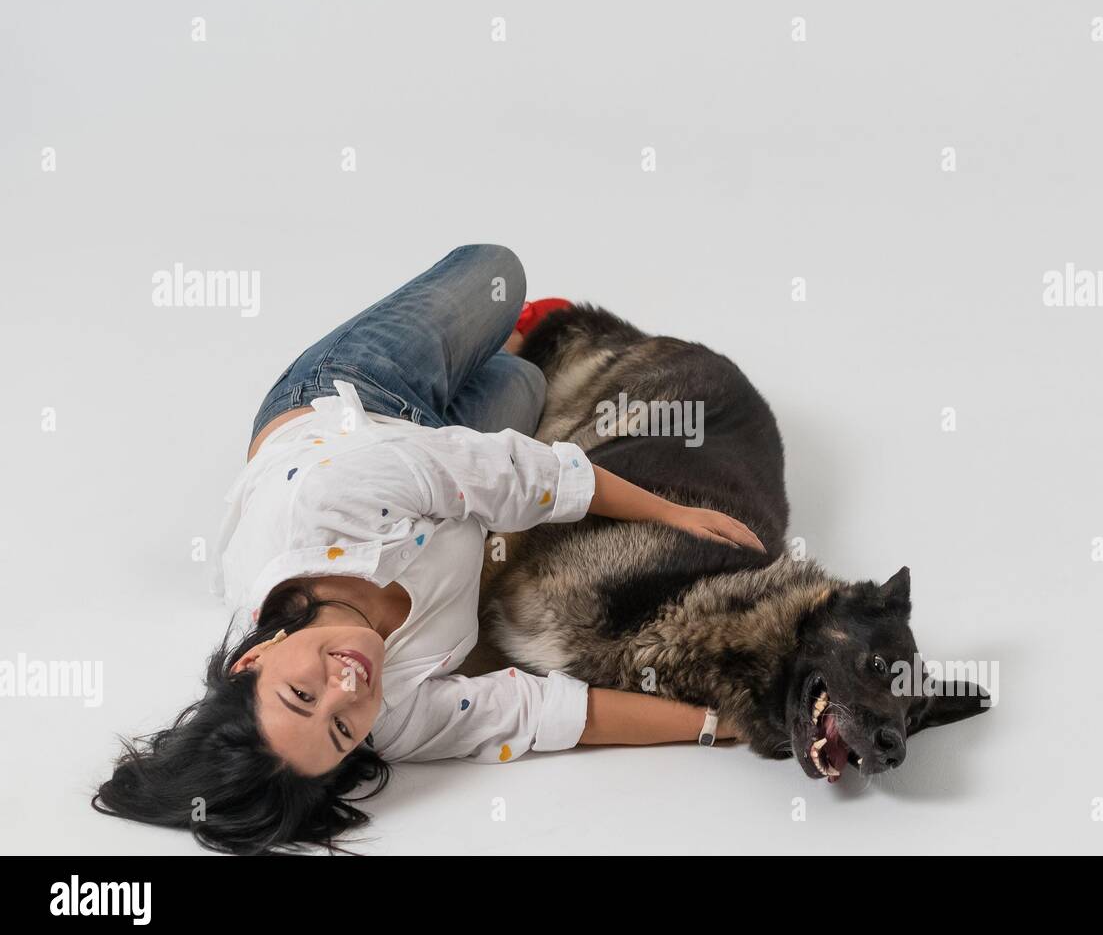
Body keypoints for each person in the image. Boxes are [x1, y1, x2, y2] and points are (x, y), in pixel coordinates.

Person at [94, 244, 763, 854]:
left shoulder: (326, 504)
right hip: (445, 470)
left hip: (350, 397)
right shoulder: (395, 716)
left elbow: (519, 475)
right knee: (525, 385)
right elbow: (547, 716)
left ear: (254, 658)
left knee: (496, 273)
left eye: (302, 694)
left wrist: (672, 512)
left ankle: (509, 324)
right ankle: (495, 363)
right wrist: (716, 723)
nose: (346, 689)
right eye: (338, 732)